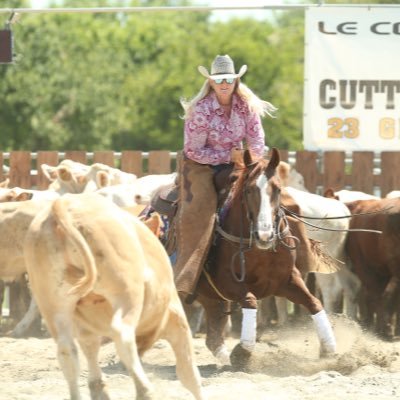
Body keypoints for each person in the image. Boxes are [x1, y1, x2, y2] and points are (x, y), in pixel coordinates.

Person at [174, 54, 276, 299]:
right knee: (200, 207)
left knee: (268, 193)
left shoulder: (247, 107)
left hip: (238, 163)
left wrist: (243, 158)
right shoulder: (200, 110)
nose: (224, 83)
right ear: (210, 82)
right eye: (219, 79)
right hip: (200, 166)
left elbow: (258, 143)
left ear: (235, 81)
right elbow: (193, 150)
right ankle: (184, 280)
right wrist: (227, 156)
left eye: (228, 79)